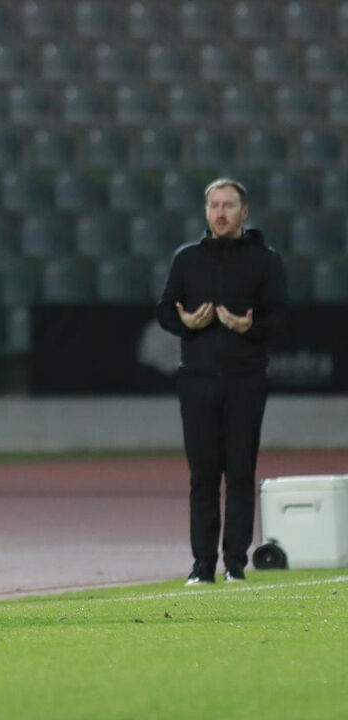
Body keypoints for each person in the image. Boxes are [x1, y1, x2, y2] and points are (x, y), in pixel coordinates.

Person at [156, 178, 286, 586]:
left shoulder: (265, 260)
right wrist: (185, 323)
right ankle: (202, 566)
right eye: (214, 205)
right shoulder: (187, 258)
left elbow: (280, 318)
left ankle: (235, 565)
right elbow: (164, 312)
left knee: (241, 472)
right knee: (203, 476)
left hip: (245, 379)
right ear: (206, 211)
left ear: (244, 212)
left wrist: (250, 326)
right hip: (196, 381)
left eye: (229, 205)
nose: (221, 213)